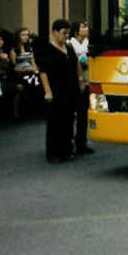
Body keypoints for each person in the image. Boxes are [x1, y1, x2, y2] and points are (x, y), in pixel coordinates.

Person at [37, 19, 84, 163]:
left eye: (68, 33)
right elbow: (43, 71)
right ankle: (54, 153)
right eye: (64, 33)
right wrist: (47, 91)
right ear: (55, 32)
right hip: (56, 90)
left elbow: (77, 64)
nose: (66, 36)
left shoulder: (69, 48)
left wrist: (81, 80)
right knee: (55, 122)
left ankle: (67, 150)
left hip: (70, 89)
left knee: (68, 120)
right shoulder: (48, 50)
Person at [69, 21, 94, 155]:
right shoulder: (71, 44)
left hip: (88, 79)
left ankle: (81, 142)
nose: (86, 28)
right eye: (83, 27)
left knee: (83, 114)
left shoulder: (88, 43)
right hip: (75, 81)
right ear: (76, 31)